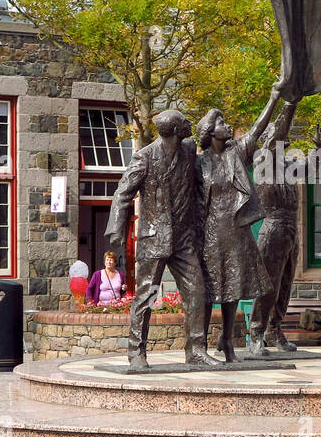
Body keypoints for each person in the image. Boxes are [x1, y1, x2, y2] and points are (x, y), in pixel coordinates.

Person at [106, 109, 219, 371]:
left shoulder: (189, 149)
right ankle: (136, 352)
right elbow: (122, 194)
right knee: (146, 296)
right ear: (176, 129)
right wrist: (116, 229)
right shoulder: (144, 157)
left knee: (197, 291)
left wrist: (214, 112)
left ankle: (196, 351)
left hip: (184, 239)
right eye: (184, 121)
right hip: (154, 239)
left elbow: (204, 131)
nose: (189, 123)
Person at [194, 92, 279, 362]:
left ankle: (228, 340)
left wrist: (275, 97)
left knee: (233, 287)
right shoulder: (198, 163)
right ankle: (201, 345)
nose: (228, 126)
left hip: (236, 230)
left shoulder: (236, 153)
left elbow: (258, 129)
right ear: (210, 132)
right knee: (208, 290)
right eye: (222, 123)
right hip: (209, 233)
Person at [248, 94, 302, 357]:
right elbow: (277, 134)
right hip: (274, 227)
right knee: (269, 285)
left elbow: (311, 168)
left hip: (291, 228)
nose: (287, 143)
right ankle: (256, 333)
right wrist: (290, 103)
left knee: (286, 284)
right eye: (282, 140)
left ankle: (274, 328)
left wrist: (320, 149)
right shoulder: (262, 161)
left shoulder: (289, 165)